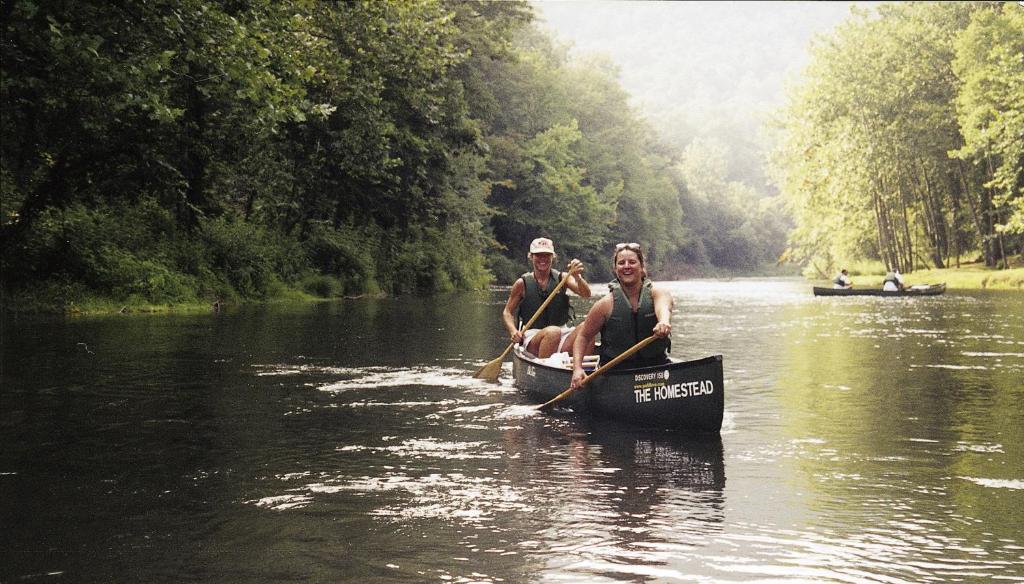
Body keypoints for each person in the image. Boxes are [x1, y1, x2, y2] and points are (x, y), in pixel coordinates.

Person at [569, 242, 673, 390]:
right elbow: (583, 337)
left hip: (655, 369)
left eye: (632, 262)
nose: (626, 266)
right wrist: (577, 369)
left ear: (642, 267)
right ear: (615, 269)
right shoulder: (604, 305)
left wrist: (663, 322)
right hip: (616, 374)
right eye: (621, 263)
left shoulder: (658, 293)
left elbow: (663, 307)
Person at [502, 237, 591, 359]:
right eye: (538, 255)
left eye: (546, 255)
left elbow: (586, 294)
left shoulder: (563, 278)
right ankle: (547, 368)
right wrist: (513, 331)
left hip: (562, 333)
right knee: (552, 332)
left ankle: (582, 370)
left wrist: (578, 277)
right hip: (533, 337)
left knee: (589, 326)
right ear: (531, 256)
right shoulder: (521, 284)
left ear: (552, 257)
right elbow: (507, 312)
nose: (542, 259)